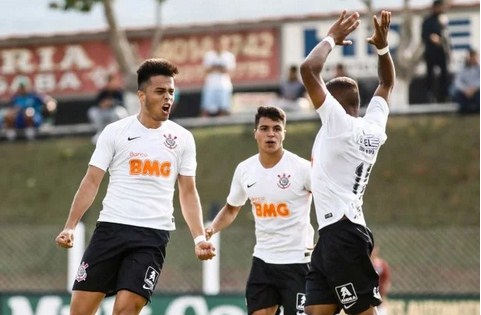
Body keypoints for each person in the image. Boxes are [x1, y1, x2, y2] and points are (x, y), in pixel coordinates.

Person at [55, 58, 216, 315]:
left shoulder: (183, 139)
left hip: (151, 237)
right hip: (111, 230)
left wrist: (199, 238)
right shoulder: (115, 132)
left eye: (171, 92)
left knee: (125, 309)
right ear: (142, 95)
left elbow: (187, 191)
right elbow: (92, 180)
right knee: (79, 312)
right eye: (160, 91)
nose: (168, 98)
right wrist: (70, 226)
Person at [300, 9, 395, 315]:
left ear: (334, 103)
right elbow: (386, 84)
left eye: (323, 96)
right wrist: (382, 47)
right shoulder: (373, 127)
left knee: (363, 311)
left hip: (342, 232)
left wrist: (331, 37)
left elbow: (308, 70)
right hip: (333, 234)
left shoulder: (337, 124)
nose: (318, 99)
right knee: (316, 311)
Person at [205, 106, 314, 315]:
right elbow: (231, 208)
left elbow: (329, 200)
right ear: (255, 132)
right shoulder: (245, 170)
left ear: (284, 133)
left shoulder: (302, 169)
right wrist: (211, 230)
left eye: (276, 128)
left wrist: (328, 238)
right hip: (263, 262)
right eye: (264, 128)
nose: (270, 134)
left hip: (298, 262)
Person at [421, 0, 451, 103]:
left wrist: (449, 49)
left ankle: (444, 96)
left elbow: (447, 36)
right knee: (430, 75)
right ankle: (430, 96)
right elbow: (424, 35)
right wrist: (431, 37)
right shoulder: (428, 20)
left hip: (442, 52)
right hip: (431, 53)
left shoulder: (444, 19)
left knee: (444, 74)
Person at [88, 74, 128, 144]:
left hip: (114, 111)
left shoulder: (119, 92)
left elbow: (122, 103)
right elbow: (96, 103)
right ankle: (100, 132)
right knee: (93, 111)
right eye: (112, 82)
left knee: (119, 112)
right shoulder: (103, 92)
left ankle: (117, 134)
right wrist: (103, 104)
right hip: (104, 112)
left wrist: (112, 103)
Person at [200, 39, 236, 117]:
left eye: (222, 44)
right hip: (211, 85)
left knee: (224, 108)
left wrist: (215, 68)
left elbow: (229, 70)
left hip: (224, 85)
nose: (220, 46)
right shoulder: (209, 55)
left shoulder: (229, 56)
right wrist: (219, 68)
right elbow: (206, 70)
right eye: (218, 44)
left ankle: (222, 124)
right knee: (206, 108)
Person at [451, 48, 480, 114]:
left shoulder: (479, 68)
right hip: (465, 91)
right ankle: (465, 109)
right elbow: (458, 81)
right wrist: (465, 89)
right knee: (455, 93)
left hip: (476, 90)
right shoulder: (462, 68)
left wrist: (474, 88)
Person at [371, 246, 392, 315]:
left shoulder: (381, 264)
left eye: (374, 249)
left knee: (381, 308)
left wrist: (385, 290)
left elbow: (387, 280)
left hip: (379, 294)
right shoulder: (362, 264)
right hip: (365, 295)